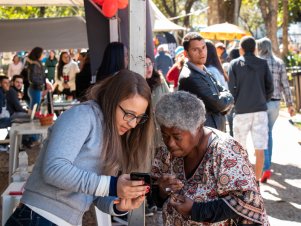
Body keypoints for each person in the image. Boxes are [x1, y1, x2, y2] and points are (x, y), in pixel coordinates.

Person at [5, 69, 154, 226]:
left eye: (139, 117)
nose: (132, 124)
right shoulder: (83, 115)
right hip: (37, 216)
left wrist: (117, 205)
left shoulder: (113, 133)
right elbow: (54, 169)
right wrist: (111, 185)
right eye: (129, 114)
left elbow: (92, 191)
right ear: (111, 99)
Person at [151, 91, 269, 226]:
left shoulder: (225, 151)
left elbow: (247, 201)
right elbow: (156, 197)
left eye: (177, 136)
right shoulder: (166, 153)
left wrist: (196, 210)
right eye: (165, 135)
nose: (170, 143)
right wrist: (161, 191)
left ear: (198, 127)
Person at [228, 36, 274, 182]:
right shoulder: (263, 63)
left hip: (241, 110)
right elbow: (270, 87)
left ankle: (244, 179)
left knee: (240, 148)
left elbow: (231, 88)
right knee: (260, 149)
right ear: (255, 48)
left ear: (241, 49)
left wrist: (237, 101)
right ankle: (256, 182)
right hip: (260, 110)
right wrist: (262, 100)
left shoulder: (234, 64)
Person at [257, 37, 295, 183]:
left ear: (259, 47)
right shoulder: (279, 63)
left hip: (260, 104)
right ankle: (267, 165)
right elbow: (285, 85)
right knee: (269, 133)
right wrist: (290, 104)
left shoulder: (257, 63)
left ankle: (266, 167)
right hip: (275, 105)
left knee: (263, 134)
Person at [178, 32, 234, 131]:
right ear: (186, 53)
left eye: (204, 47)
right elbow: (219, 104)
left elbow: (223, 93)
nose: (202, 52)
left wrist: (226, 98)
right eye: (196, 49)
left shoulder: (204, 70)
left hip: (213, 134)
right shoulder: (190, 77)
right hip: (203, 138)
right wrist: (228, 98)